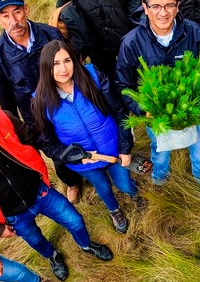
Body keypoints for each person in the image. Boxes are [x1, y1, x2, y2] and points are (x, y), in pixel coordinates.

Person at [0, 89, 113, 282]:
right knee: (36, 241)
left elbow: (30, 138)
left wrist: (38, 171)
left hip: (40, 192)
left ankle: (86, 245)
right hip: (13, 215)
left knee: (75, 221)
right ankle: (53, 256)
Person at [0, 0, 85, 203]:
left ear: (26, 9)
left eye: (17, 12)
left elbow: (73, 67)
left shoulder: (50, 34)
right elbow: (6, 103)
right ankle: (72, 181)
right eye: (5, 15)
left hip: (67, 104)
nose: (14, 21)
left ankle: (94, 166)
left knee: (81, 134)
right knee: (57, 153)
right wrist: (18, 132)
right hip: (37, 117)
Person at [116, 0, 200, 185]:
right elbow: (124, 84)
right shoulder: (132, 42)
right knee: (160, 151)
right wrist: (144, 110)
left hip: (193, 113)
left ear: (178, 6)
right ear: (145, 8)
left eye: (169, 5)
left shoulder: (194, 33)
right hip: (156, 116)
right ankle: (160, 178)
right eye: (155, 6)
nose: (163, 13)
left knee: (199, 148)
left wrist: (198, 107)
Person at [31, 40, 137, 233]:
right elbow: (47, 143)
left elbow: (119, 111)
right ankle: (114, 211)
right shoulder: (40, 101)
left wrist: (125, 147)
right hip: (84, 161)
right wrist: (74, 156)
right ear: (46, 67)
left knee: (125, 184)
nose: (63, 69)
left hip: (113, 149)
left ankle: (133, 193)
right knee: (103, 186)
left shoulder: (94, 76)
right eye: (55, 63)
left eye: (67, 61)